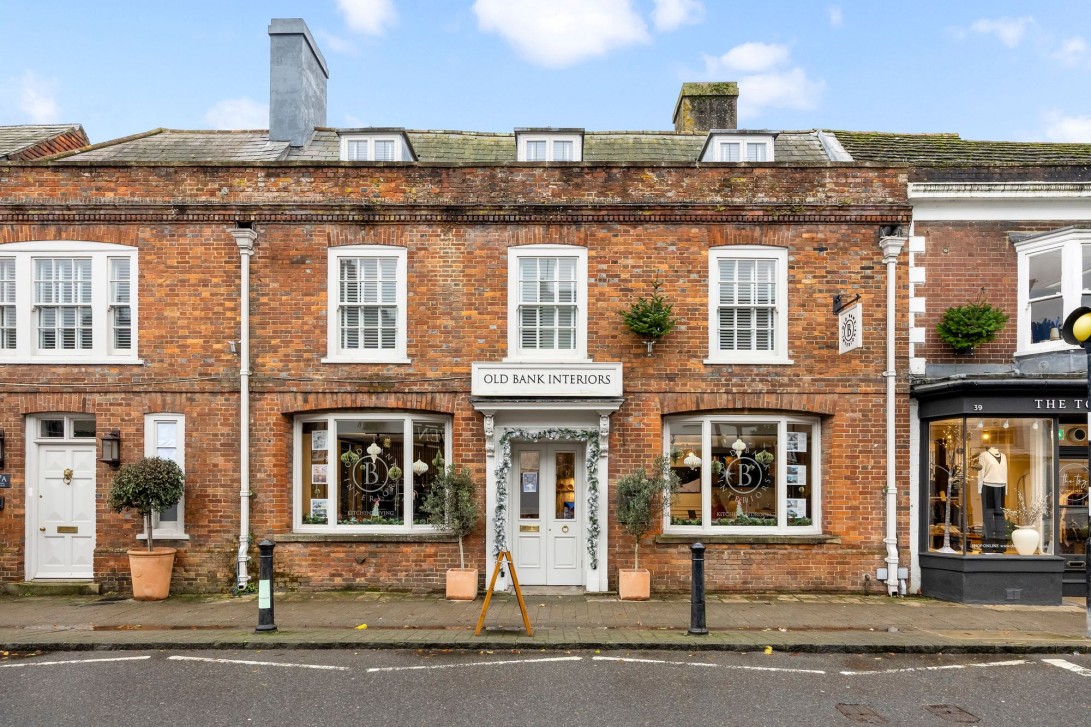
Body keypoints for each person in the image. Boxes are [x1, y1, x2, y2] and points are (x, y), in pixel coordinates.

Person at [977, 447, 1008, 553]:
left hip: (1001, 486)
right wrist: (980, 489)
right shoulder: (984, 455)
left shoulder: (1003, 456)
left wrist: (1006, 490)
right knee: (988, 517)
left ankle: (1000, 547)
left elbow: (1005, 473)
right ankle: (987, 547)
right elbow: (980, 473)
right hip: (987, 486)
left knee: (1000, 517)